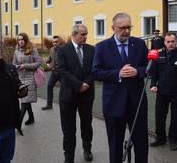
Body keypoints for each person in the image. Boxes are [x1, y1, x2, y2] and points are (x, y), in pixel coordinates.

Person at [92, 12, 149, 163]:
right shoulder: (102, 47)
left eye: (129, 27)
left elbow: (150, 68)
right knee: (115, 145)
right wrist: (118, 73)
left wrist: (138, 72)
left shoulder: (139, 44)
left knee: (141, 143)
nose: (127, 31)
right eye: (122, 28)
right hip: (114, 104)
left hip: (137, 103)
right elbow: (96, 72)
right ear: (113, 28)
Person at [56, 25, 95, 163]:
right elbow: (62, 70)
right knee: (68, 130)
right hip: (68, 96)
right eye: (83, 34)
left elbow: (94, 69)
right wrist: (79, 85)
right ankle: (69, 157)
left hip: (87, 95)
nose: (85, 37)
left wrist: (86, 84)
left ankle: (87, 148)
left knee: (86, 125)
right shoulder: (62, 50)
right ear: (74, 34)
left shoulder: (91, 49)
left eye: (86, 34)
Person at [149, 32, 177, 151]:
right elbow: (154, 72)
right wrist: (153, 84)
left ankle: (173, 139)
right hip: (161, 91)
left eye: (173, 41)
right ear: (164, 42)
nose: (170, 44)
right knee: (159, 116)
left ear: (176, 41)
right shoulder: (159, 54)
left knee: (176, 117)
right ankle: (160, 138)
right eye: (168, 42)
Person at [12, 32, 42, 126]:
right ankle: (31, 118)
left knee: (24, 101)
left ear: (26, 40)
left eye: (22, 39)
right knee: (26, 99)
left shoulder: (32, 50)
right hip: (20, 79)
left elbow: (38, 62)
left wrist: (25, 66)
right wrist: (17, 67)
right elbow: (14, 64)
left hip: (30, 78)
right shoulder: (16, 51)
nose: (20, 41)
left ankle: (18, 124)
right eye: (19, 39)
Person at [42, 35, 65, 110]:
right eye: (53, 42)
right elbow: (49, 59)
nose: (55, 43)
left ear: (59, 42)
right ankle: (49, 104)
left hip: (62, 73)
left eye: (56, 42)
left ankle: (65, 105)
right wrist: (47, 63)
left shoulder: (63, 49)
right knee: (49, 86)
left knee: (65, 89)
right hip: (54, 73)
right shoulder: (51, 49)